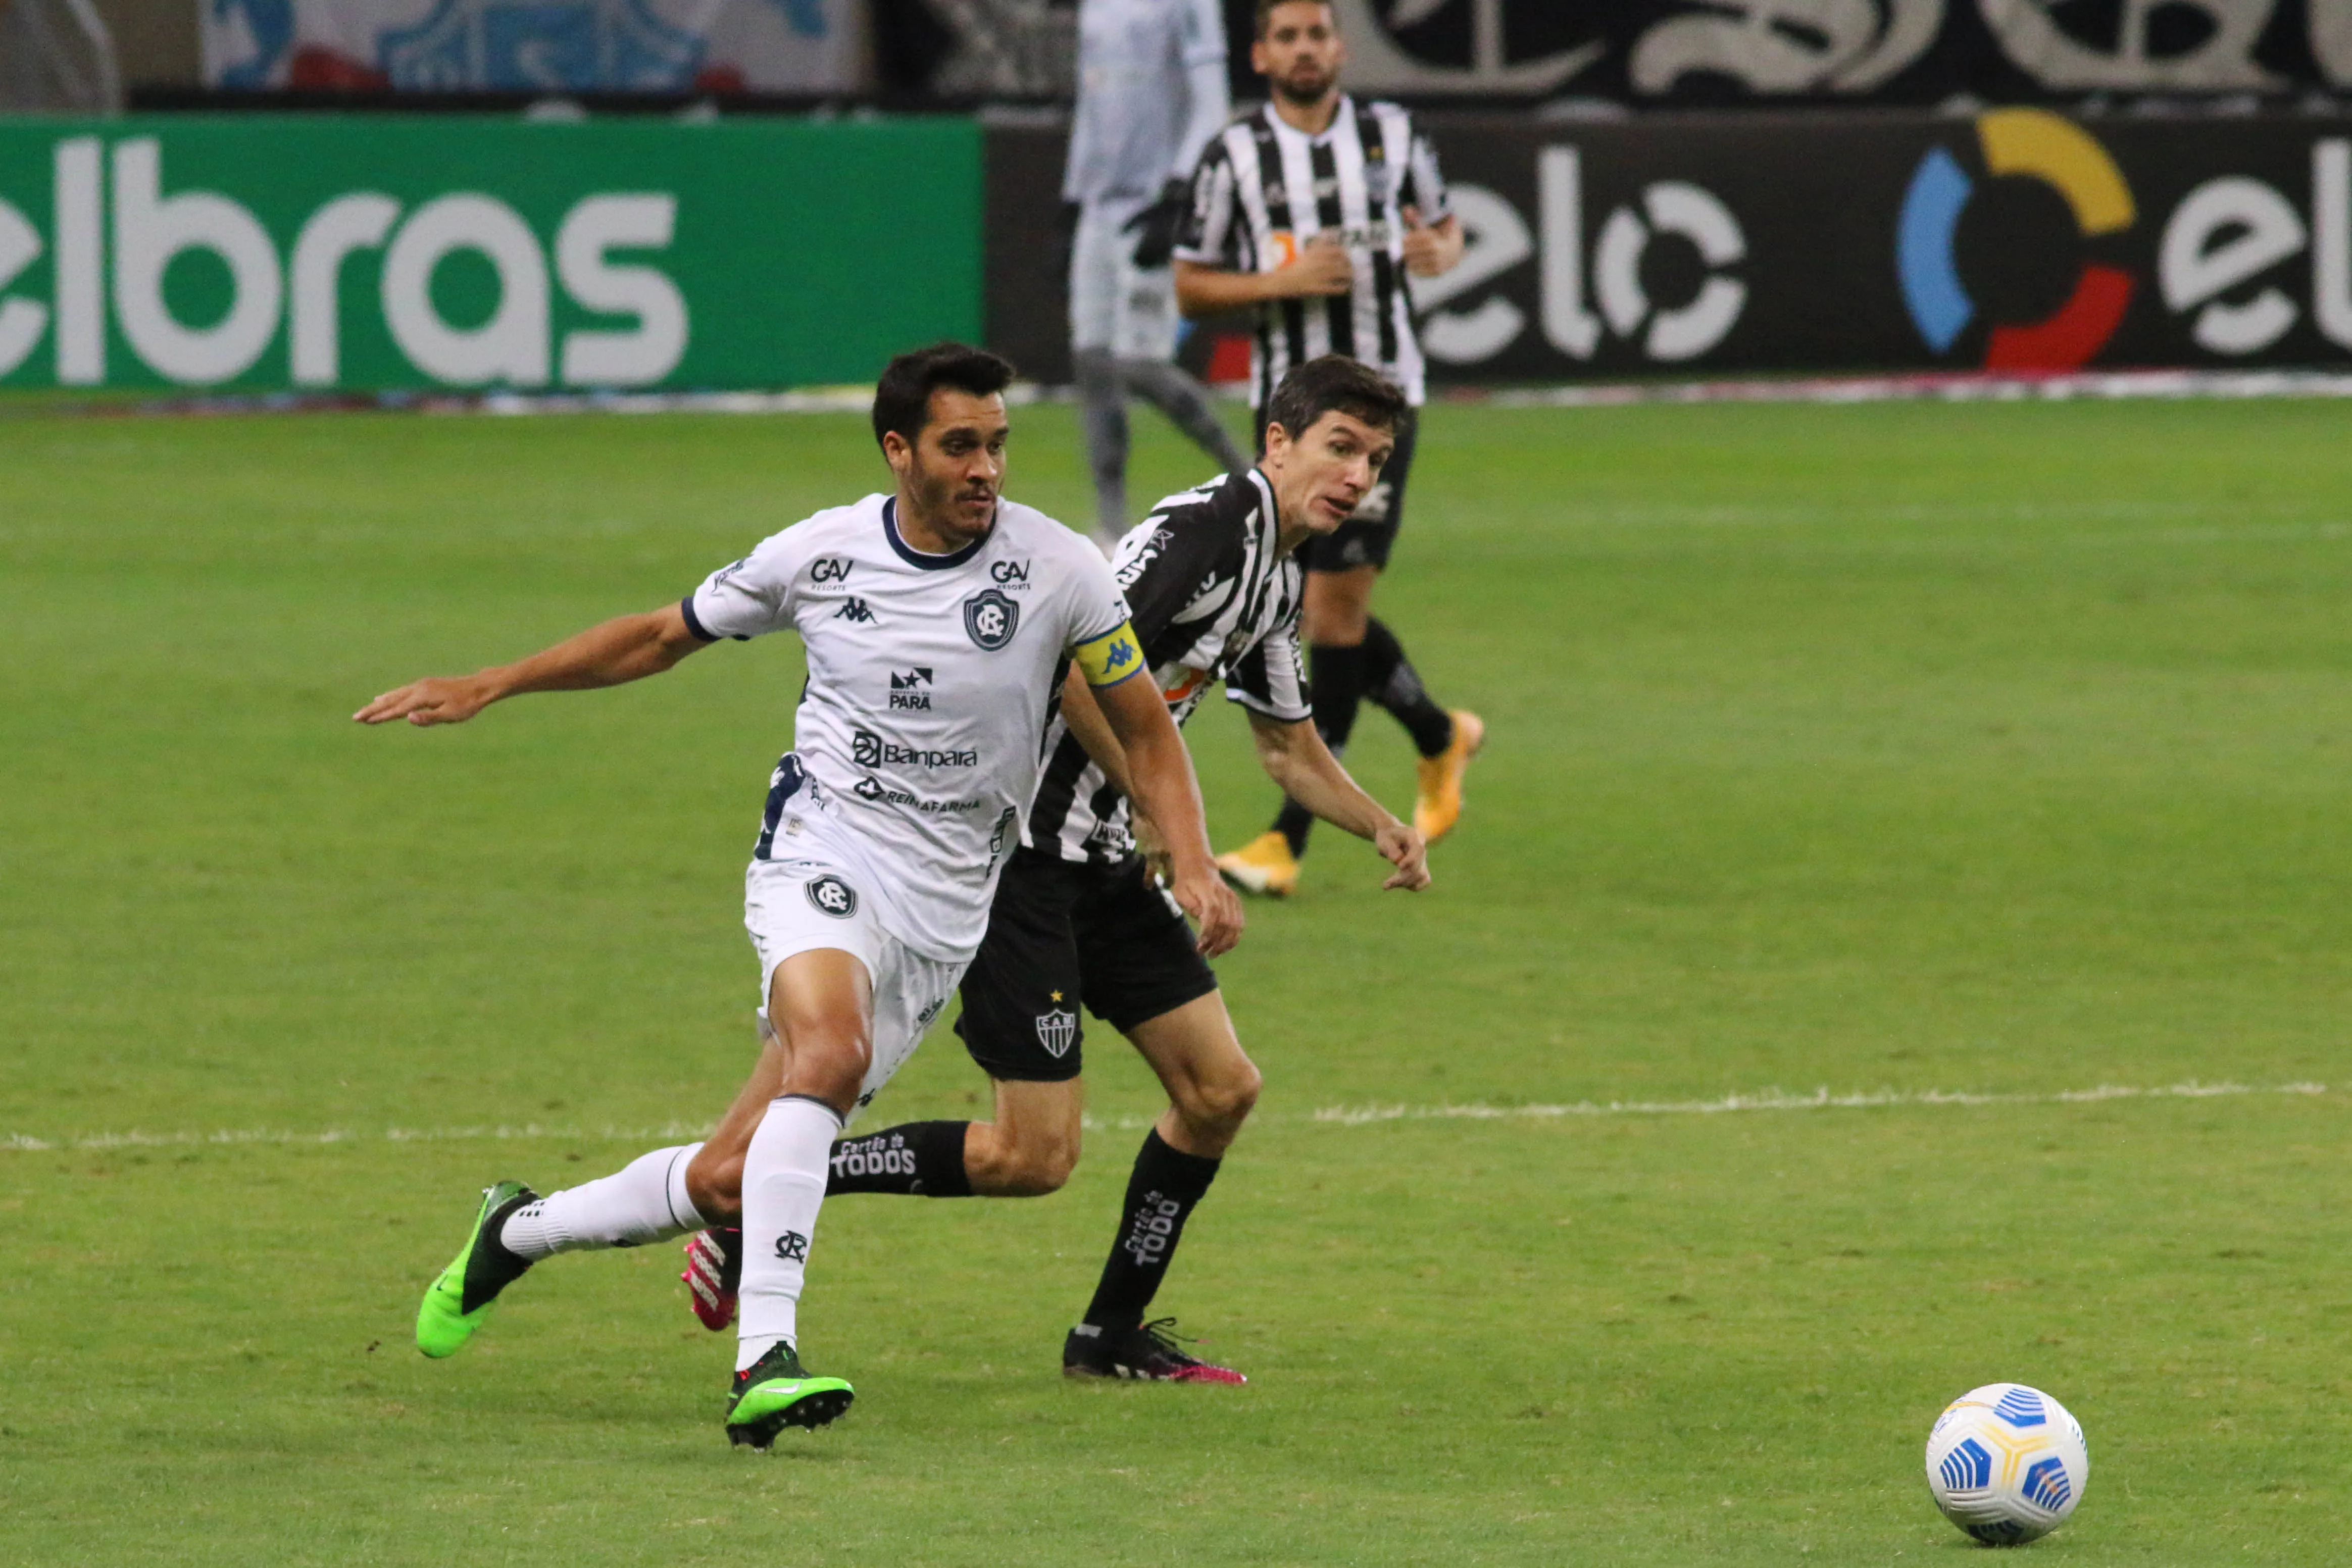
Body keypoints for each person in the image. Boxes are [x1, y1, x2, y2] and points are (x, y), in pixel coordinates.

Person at [356, 342, 1244, 1448]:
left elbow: (1146, 725)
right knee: (824, 1053)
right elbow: (657, 636)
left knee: (734, 1177)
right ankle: (764, 1358)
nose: (986, 469)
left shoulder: (1060, 569)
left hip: (949, 900)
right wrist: (496, 681)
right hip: (822, 846)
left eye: (999, 444)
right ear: (898, 450)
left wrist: (1192, 855)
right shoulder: (819, 555)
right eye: (960, 445)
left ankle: (518, 1229)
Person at [676, 356, 1430, 1383]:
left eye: (1374, 460)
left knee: (1218, 1090)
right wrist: (1175, 832)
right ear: (1277, 441)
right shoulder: (1202, 535)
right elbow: (1077, 660)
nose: (1356, 477)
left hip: (1106, 861)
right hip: (1023, 857)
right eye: (1339, 448)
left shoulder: (1275, 573)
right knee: (1033, 1157)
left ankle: (1108, 1333)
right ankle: (772, 1189)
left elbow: (1287, 746)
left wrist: (1380, 823)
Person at [1170, 0, 1483, 898]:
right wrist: (1281, 281)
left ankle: (1287, 839)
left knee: (1328, 615)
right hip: (1294, 415)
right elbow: (1190, 286)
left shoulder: (1391, 133)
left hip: (1382, 411)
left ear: (1338, 48)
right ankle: (1435, 734)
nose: (1306, 50)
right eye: (1289, 36)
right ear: (1263, 53)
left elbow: (1446, 228)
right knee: (1320, 610)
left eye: (1319, 34)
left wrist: (1438, 250)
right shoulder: (1234, 156)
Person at [1065, 0, 1253, 549]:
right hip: (1099, 207)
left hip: (1155, 202)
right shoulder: (1096, 9)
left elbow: (1211, 104)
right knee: (1092, 364)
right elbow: (1091, 105)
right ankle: (1110, 524)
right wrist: (1071, 201)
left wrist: (1179, 192)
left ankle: (1251, 482)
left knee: (1140, 366)